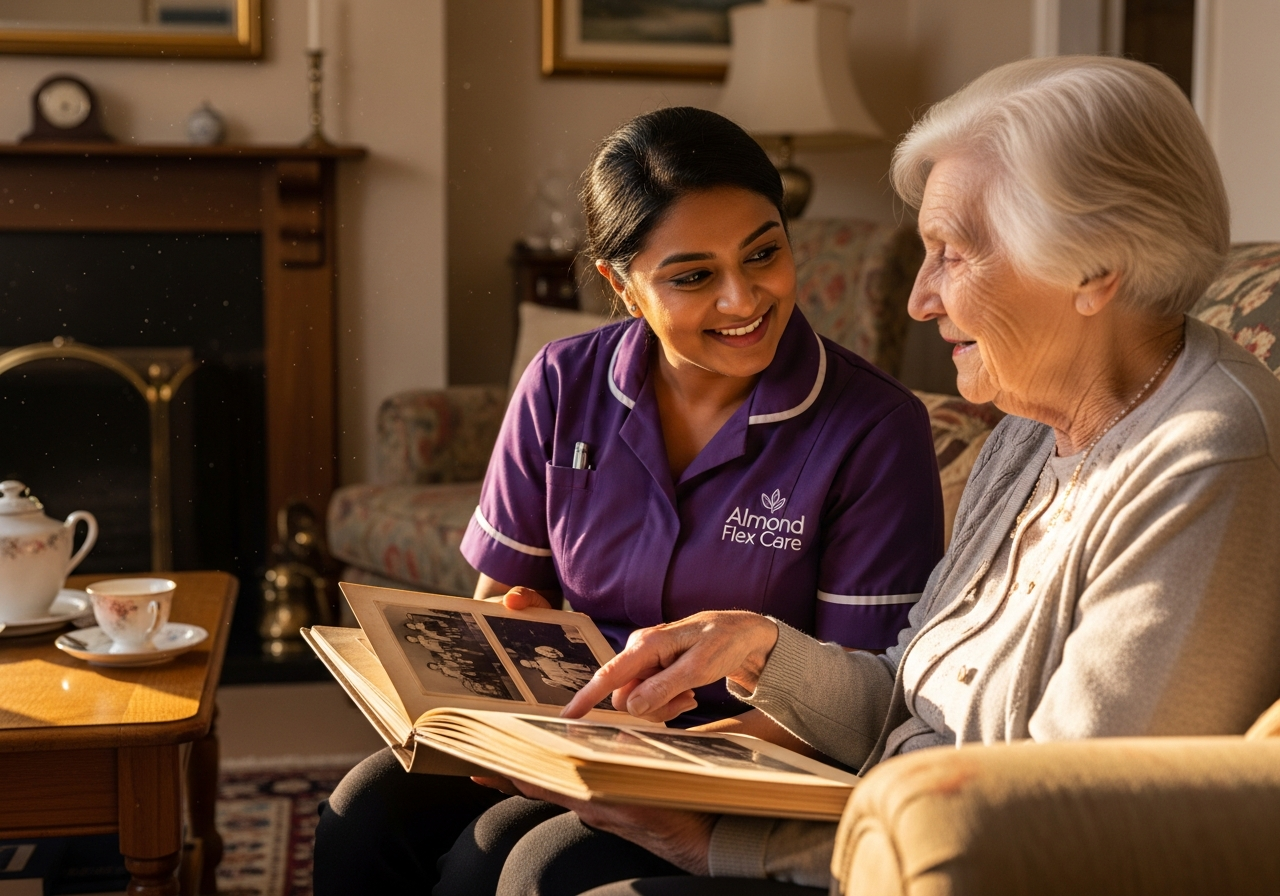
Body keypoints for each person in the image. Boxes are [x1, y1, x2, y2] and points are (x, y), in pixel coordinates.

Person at [438, 56, 1280, 896]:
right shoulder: (1031, 431)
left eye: (952, 254)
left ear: (1094, 268)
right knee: (501, 850)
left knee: (557, 878)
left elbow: (1066, 828)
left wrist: (725, 846)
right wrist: (758, 647)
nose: (919, 299)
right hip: (896, 830)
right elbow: (908, 693)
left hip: (946, 866)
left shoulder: (1205, 458)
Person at [313, 107, 945, 894]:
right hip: (570, 728)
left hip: (742, 760)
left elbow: (856, 704)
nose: (743, 299)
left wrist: (628, 762)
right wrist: (514, 673)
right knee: (363, 815)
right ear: (621, 285)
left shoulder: (876, 427)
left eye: (765, 254)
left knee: (496, 866)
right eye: (692, 276)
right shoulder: (560, 383)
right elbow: (504, 600)